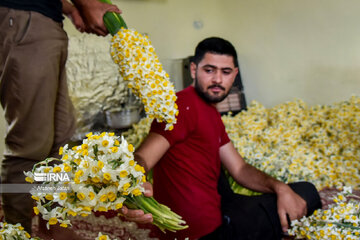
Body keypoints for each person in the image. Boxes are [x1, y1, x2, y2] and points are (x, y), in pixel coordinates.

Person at [122, 37, 322, 240]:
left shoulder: (210, 111)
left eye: (225, 72)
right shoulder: (180, 106)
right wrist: (136, 180)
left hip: (219, 210)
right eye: (209, 70)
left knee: (284, 192)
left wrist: (281, 188)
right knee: (308, 192)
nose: (217, 79)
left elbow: (240, 169)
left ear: (234, 75)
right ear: (193, 70)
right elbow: (143, 157)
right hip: (208, 233)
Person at [0, 0, 121, 239]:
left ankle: (53, 223)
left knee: (60, 141)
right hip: (23, 16)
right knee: (29, 145)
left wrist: (69, 7)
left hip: (45, 20)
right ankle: (16, 231)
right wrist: (87, 3)